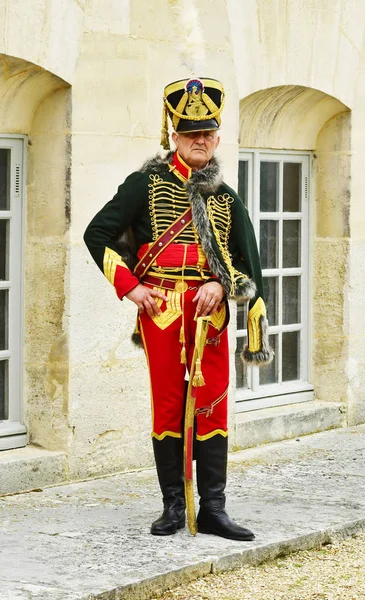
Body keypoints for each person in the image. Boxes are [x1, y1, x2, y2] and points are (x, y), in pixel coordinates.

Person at [84, 77, 273, 542]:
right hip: (163, 312)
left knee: (213, 406)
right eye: (190, 133)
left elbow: (250, 268)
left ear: (218, 137)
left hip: (209, 316)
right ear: (174, 135)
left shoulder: (227, 197)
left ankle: (213, 509)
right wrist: (130, 288)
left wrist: (221, 283)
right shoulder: (144, 183)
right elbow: (96, 234)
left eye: (207, 133)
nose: (199, 140)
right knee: (168, 407)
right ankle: (173, 506)